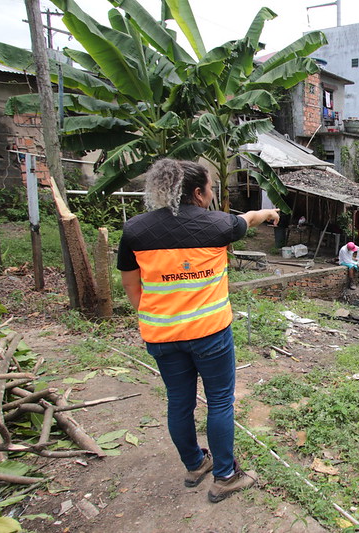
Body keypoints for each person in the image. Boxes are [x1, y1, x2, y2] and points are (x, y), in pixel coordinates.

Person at [116, 159, 280, 503]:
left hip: (161, 337)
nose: (211, 194)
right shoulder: (217, 225)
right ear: (196, 193)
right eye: (209, 189)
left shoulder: (135, 231)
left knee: (179, 401)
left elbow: (132, 288)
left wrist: (162, 316)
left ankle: (194, 464)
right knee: (219, 401)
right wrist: (266, 214)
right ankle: (225, 475)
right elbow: (246, 220)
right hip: (210, 334)